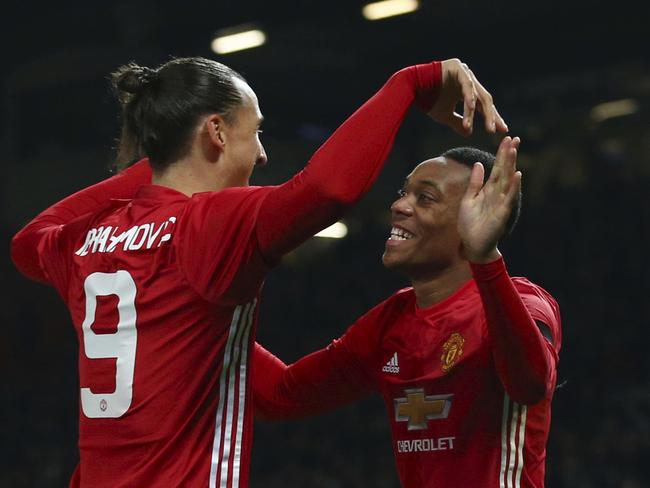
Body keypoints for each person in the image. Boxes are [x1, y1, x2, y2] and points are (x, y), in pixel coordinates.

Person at [10, 56, 506, 488]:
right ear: (217, 132)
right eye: (257, 132)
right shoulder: (210, 222)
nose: (263, 154)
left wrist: (156, 164)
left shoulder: (85, 239)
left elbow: (28, 241)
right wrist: (411, 83)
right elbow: (327, 190)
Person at [253, 136, 562, 488]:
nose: (399, 206)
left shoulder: (526, 302)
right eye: (404, 193)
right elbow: (282, 394)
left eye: (425, 198)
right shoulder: (390, 322)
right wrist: (212, 314)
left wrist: (486, 260)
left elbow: (530, 385)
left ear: (475, 217)